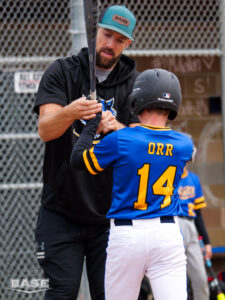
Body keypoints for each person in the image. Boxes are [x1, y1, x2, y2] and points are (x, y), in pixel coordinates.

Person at [34, 5, 139, 299]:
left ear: (128, 43)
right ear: (95, 33)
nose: (110, 45)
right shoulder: (62, 72)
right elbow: (46, 129)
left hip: (110, 216)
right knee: (61, 291)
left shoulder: (134, 84)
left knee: (109, 294)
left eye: (119, 40)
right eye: (106, 35)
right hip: (61, 211)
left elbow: (143, 147)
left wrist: (117, 127)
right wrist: (71, 112)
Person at [70, 68, 194, 300]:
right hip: (167, 235)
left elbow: (78, 160)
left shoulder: (121, 140)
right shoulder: (184, 144)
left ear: (138, 101)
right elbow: (149, 143)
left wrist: (93, 122)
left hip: (127, 235)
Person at [178, 157, 212, 300]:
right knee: (177, 278)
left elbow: (198, 215)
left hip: (191, 225)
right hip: (174, 224)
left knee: (200, 277)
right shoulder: (169, 176)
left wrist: (207, 242)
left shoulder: (194, 179)